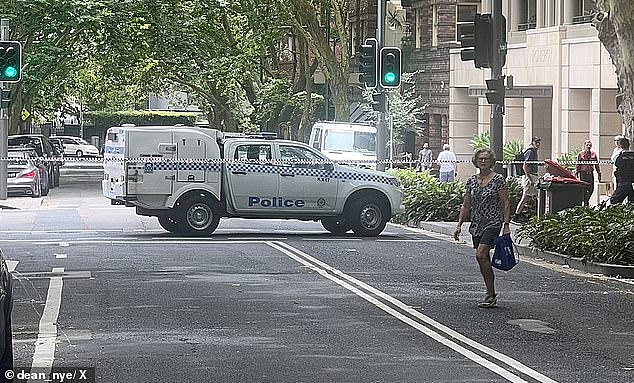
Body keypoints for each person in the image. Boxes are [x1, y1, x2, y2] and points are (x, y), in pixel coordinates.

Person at [454, 148, 511, 308]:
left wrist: (506, 224)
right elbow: (466, 205)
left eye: (486, 158)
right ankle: (490, 291)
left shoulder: (498, 179)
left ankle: (490, 293)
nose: (483, 161)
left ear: (491, 161)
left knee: (481, 255)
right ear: (476, 161)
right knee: (483, 258)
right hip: (477, 223)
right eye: (481, 159)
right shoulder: (472, 180)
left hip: (493, 222)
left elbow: (505, 202)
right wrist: (459, 225)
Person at [514, 136, 541, 218]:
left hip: (532, 175)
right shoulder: (530, 151)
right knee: (526, 196)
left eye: (539, 142)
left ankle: (520, 213)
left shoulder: (533, 151)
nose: (538, 144)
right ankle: (517, 214)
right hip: (530, 176)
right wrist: (529, 178)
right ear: (532, 142)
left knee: (530, 196)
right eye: (536, 142)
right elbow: (525, 166)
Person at [575, 140, 601, 205]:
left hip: (590, 173)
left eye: (590, 145)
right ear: (584, 146)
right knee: (583, 188)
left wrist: (599, 173)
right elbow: (578, 164)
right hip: (583, 174)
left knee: (591, 188)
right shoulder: (580, 154)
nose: (588, 146)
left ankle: (586, 199)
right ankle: (585, 202)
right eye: (587, 145)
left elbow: (596, 164)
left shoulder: (593, 154)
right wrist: (576, 173)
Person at [610, 137, 634, 204]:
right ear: (629, 145)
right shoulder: (632, 156)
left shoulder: (619, 157)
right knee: (631, 203)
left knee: (614, 201)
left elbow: (616, 164)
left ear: (621, 146)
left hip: (623, 182)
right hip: (631, 183)